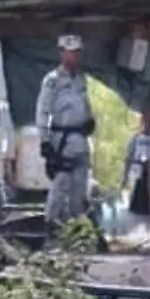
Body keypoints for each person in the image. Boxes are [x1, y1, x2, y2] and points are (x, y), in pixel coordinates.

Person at [36, 33, 95, 230]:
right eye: (71, 53)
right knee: (60, 185)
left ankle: (75, 230)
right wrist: (44, 141)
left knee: (80, 187)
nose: (74, 57)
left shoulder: (81, 78)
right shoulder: (52, 80)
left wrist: (89, 121)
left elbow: (85, 104)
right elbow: (43, 111)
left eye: (78, 53)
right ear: (62, 54)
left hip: (81, 139)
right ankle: (50, 226)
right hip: (62, 140)